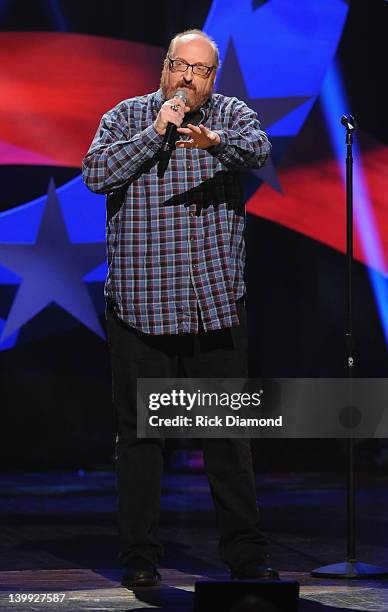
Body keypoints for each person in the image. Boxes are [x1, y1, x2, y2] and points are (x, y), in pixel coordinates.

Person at [82, 29, 276, 588]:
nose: (189, 78)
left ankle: (244, 554)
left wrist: (214, 142)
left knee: (226, 441)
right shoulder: (127, 117)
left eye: (201, 70)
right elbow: (96, 174)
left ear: (213, 77)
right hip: (141, 309)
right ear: (165, 67)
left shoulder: (229, 115)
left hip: (211, 308)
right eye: (180, 66)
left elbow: (259, 151)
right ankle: (140, 557)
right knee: (141, 442)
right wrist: (156, 132)